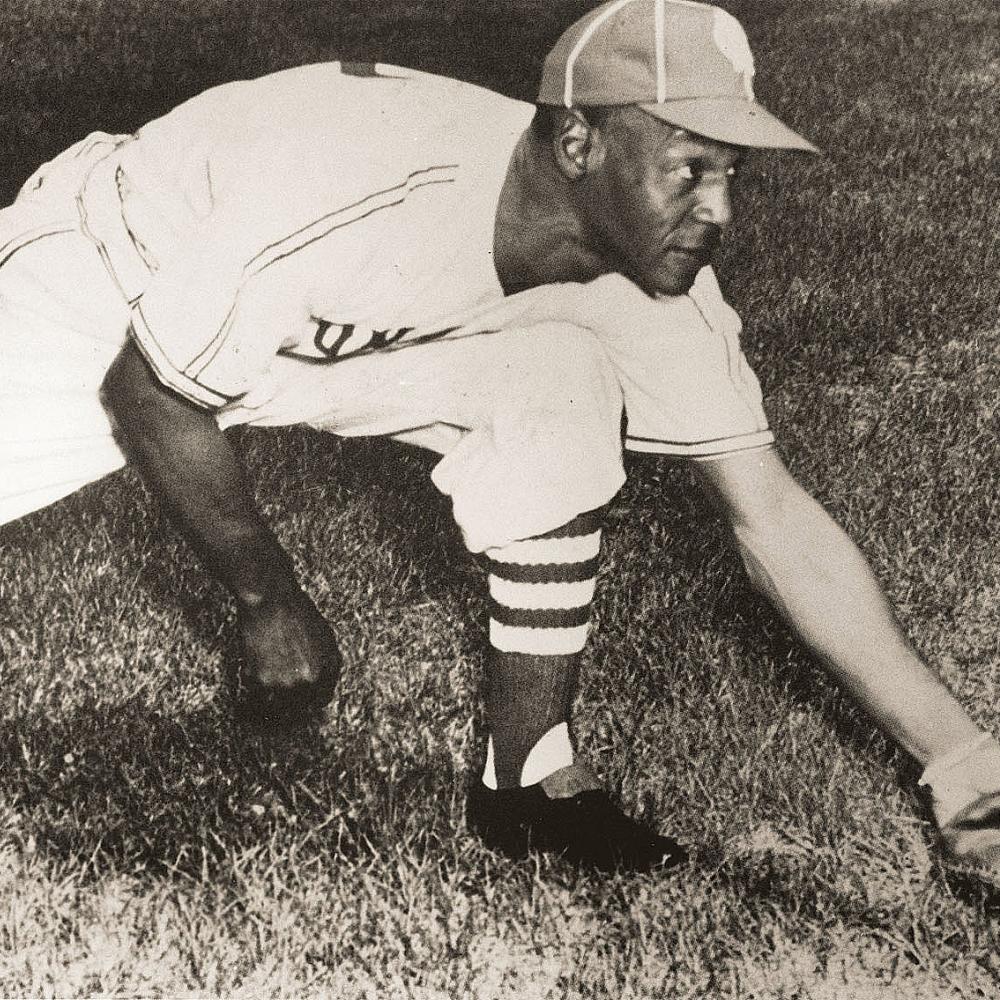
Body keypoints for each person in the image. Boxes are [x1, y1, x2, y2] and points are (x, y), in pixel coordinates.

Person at [1, 0, 997, 881]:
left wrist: (959, 761)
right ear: (576, 146)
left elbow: (771, 515)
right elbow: (151, 391)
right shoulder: (364, 188)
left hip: (346, 329)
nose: (719, 210)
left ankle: (529, 784)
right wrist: (269, 602)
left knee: (559, 377)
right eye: (689, 169)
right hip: (117, 280)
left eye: (729, 175)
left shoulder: (650, 282)